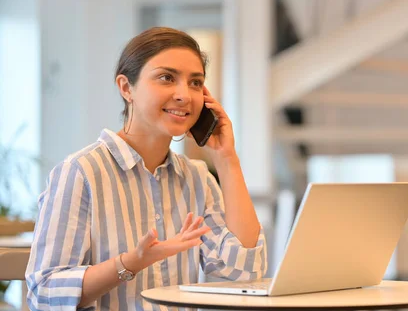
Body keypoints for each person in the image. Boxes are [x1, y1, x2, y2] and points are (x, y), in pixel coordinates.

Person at [25, 27, 267, 310]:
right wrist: (129, 263)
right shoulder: (80, 173)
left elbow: (243, 275)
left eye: (195, 82)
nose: (184, 95)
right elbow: (44, 294)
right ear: (127, 88)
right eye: (167, 78)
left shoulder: (198, 178)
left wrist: (227, 160)